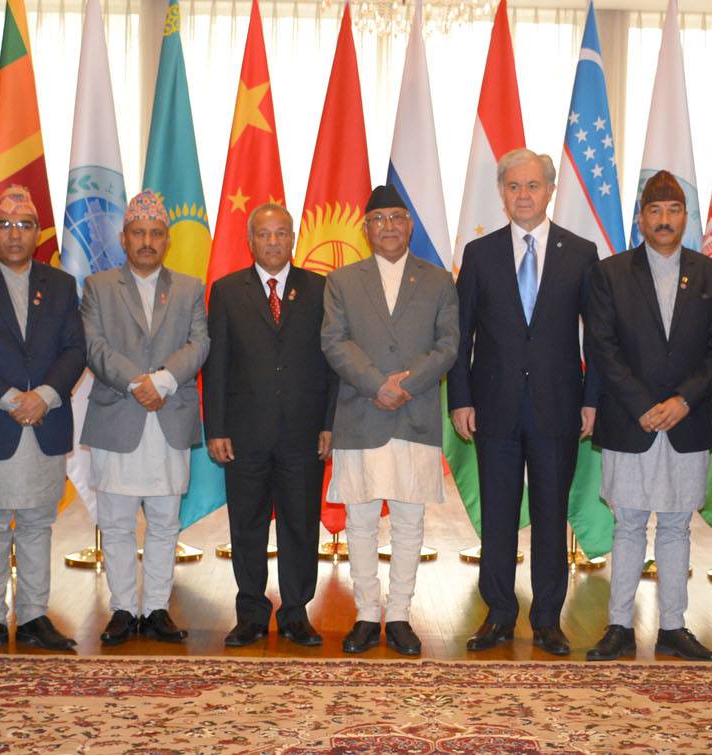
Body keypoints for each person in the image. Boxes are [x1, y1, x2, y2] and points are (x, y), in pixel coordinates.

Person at [448, 149, 598, 657]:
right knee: (499, 516)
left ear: (550, 191)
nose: (524, 195)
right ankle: (499, 614)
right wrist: (460, 399)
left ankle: (549, 619)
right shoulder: (479, 253)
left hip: (560, 404)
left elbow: (596, 337)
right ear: (502, 193)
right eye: (514, 186)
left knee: (552, 516)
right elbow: (460, 334)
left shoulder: (580, 252)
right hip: (494, 406)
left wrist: (593, 399)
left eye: (533, 186)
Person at [583, 171, 712, 662]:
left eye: (673, 211)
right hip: (631, 420)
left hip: (687, 422)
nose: (664, 220)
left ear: (685, 218)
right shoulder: (610, 273)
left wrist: (683, 400)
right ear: (641, 219)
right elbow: (601, 347)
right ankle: (619, 626)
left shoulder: (711, 273)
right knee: (627, 524)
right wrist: (643, 404)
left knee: (674, 525)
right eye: (655, 211)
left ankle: (673, 627)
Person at [0, 185, 87, 653]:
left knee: (37, 524)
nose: (14, 234)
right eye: (4, 225)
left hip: (44, 423)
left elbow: (75, 349)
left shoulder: (61, 284)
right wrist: (10, 399)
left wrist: (44, 396)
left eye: (24, 225)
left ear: (37, 233)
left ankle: (33, 617)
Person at [321, 185, 458, 656]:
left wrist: (405, 385)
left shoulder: (439, 280)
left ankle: (398, 614)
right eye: (379, 220)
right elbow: (334, 342)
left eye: (398, 218)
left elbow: (448, 345)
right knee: (359, 520)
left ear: (410, 224)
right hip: (361, 412)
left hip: (414, 415)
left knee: (408, 520)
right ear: (366, 228)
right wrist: (376, 383)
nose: (390, 227)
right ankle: (364, 614)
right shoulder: (341, 281)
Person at [204, 203, 337, 648]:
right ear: (251, 240)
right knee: (247, 524)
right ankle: (251, 613)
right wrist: (216, 427)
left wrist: (329, 423)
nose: (274, 242)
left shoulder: (319, 288)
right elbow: (216, 363)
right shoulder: (226, 291)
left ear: (293, 237)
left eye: (281, 233)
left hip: (304, 430)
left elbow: (332, 362)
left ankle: (297, 613)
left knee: (301, 523)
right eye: (265, 234)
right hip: (244, 432)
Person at [80, 189, 209, 647]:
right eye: (139, 233)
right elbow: (94, 347)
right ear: (124, 237)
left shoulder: (191, 288)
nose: (147, 242)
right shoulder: (97, 287)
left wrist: (164, 382)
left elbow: (199, 344)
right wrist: (140, 383)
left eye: (156, 233)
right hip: (119, 414)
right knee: (114, 522)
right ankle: (121, 608)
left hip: (169, 417)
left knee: (164, 522)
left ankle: (155, 607)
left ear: (167, 240)